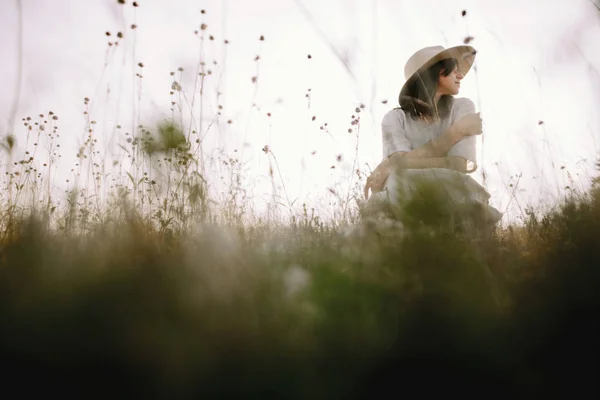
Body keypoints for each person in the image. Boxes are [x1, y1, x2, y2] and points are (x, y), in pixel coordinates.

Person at [362, 45, 502, 231]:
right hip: (405, 193)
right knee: (400, 184)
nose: (460, 76)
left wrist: (396, 163)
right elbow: (400, 164)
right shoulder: (395, 118)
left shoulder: (462, 107)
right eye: (454, 70)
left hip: (450, 190)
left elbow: (459, 164)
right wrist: (456, 132)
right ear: (434, 74)